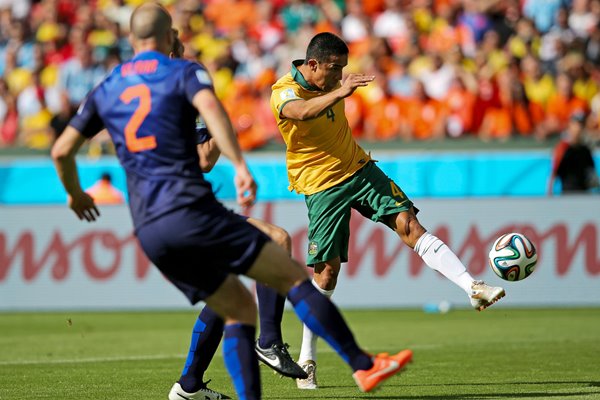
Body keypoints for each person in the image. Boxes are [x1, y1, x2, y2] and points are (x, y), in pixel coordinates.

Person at [51, 4, 412, 400]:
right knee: (281, 255)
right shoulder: (184, 73)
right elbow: (207, 151)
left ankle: (189, 388)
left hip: (148, 226)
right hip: (189, 209)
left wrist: (75, 193)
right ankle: (359, 364)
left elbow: (61, 151)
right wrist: (239, 164)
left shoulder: (108, 85)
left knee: (236, 304)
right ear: (167, 36)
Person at [269, 32, 505, 390]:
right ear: (313, 64)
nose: (340, 76)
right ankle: (307, 358)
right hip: (321, 186)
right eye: (334, 69)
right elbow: (299, 113)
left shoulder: (331, 82)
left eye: (343, 70)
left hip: (359, 168)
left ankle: (471, 285)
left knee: (409, 224)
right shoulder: (284, 90)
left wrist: (338, 90)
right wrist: (340, 92)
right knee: (327, 273)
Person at [166, 32, 306, 400]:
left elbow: (204, 160)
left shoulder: (176, 98)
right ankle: (269, 342)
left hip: (192, 211)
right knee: (273, 244)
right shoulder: (170, 102)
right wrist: (227, 127)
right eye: (175, 46)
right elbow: (200, 161)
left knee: (232, 289)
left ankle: (189, 387)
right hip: (181, 215)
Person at [548, 111, 599, 194]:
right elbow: (553, 173)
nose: (579, 128)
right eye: (577, 124)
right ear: (570, 125)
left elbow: (591, 173)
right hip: (568, 194)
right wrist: (549, 195)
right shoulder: (563, 148)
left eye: (582, 125)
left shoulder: (585, 150)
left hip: (584, 194)